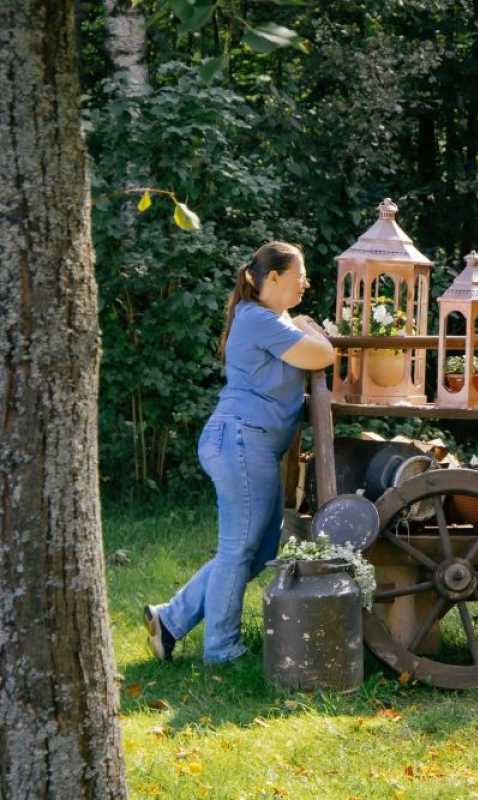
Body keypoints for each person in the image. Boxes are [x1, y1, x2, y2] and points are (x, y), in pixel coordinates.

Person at [144, 241, 336, 664]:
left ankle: (170, 619)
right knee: (237, 551)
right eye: (298, 274)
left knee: (258, 552)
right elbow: (322, 354)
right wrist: (309, 326)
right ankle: (221, 650)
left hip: (247, 444)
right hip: (240, 442)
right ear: (272, 279)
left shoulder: (268, 319)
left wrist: (300, 321)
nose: (306, 282)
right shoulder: (258, 320)